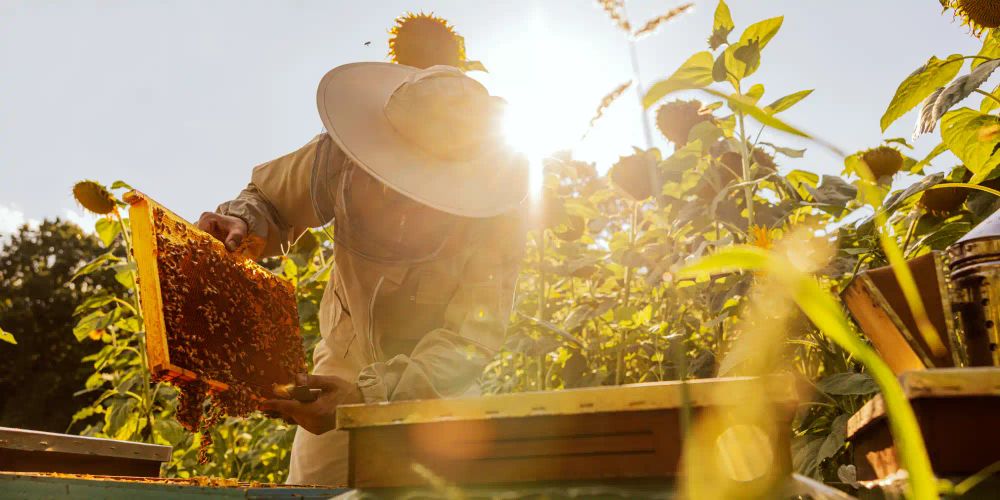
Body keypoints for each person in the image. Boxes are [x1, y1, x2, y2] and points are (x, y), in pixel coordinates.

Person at [196, 62, 529, 486]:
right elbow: (270, 198)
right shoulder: (338, 156)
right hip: (342, 363)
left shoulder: (496, 217)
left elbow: (468, 341)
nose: (394, 187)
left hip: (438, 388)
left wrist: (369, 396)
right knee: (312, 490)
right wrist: (244, 221)